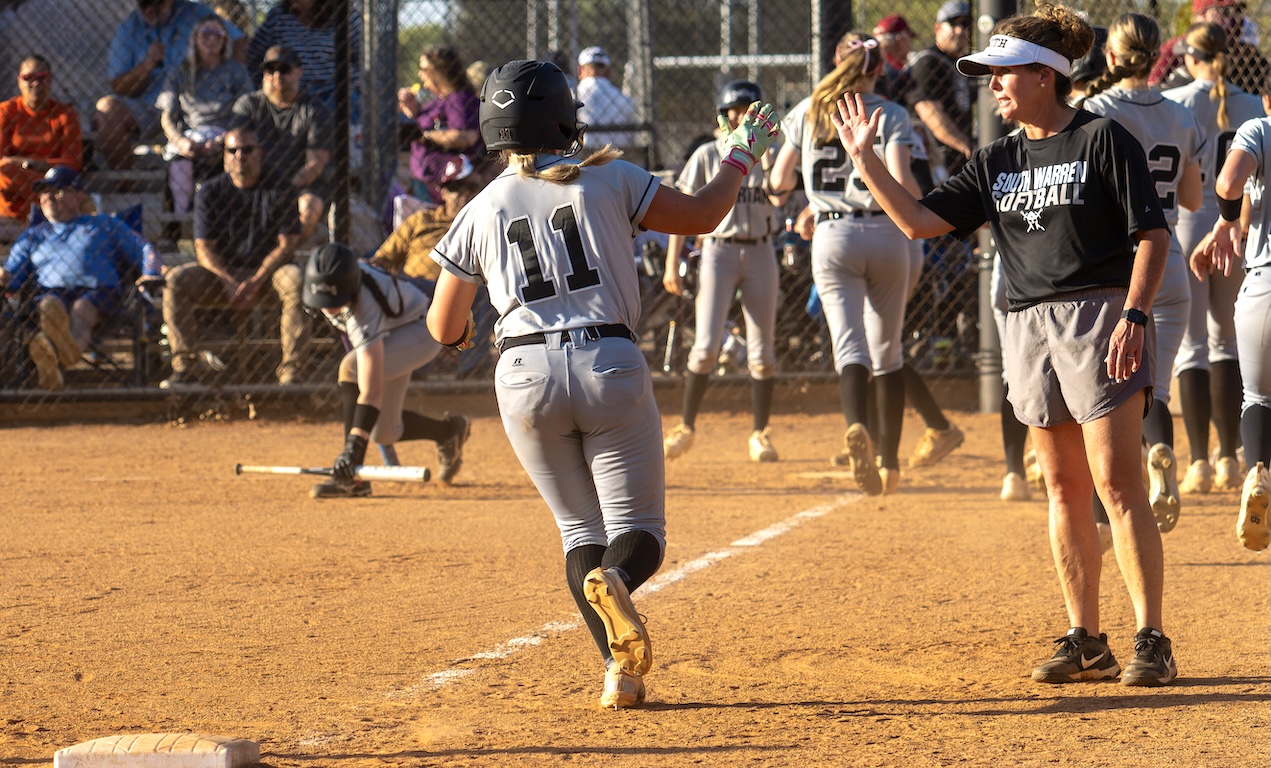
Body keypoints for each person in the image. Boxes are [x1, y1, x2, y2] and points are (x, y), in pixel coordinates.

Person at [837, 3, 1176, 685]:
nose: (990, 85)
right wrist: (866, 160)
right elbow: (917, 223)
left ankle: (1151, 640)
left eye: (1000, 73)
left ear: (1043, 77)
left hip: (1097, 317)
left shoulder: (1103, 140)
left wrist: (1134, 317)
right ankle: (1085, 638)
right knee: (1059, 484)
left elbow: (1152, 235)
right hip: (1026, 325)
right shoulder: (996, 159)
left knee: (1116, 482)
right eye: (987, 75)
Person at [426, 59, 780, 709]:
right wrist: (739, 156)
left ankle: (620, 674)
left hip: (522, 374)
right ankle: (617, 583)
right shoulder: (611, 177)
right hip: (606, 361)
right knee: (638, 530)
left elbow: (442, 323)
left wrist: (457, 339)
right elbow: (702, 215)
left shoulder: (480, 208)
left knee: (576, 533)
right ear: (565, 116)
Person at [769, 32, 921, 496]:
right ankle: (890, 463)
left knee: (849, 346)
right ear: (878, 69)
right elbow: (904, 186)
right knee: (888, 349)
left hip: (832, 233)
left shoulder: (810, 109)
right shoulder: (891, 113)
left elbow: (779, 181)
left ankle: (857, 424)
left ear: (837, 62)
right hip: (886, 232)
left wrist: (813, 200)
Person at [1081, 12, 1205, 535]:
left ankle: (1108, 520)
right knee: (1155, 387)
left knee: (1109, 393)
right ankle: (1162, 451)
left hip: (1121, 265)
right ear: (1159, 56)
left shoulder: (1094, 109)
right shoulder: (1181, 114)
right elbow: (1194, 198)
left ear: (1110, 55)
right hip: (1171, 260)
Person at [1165, 22, 1265, 495]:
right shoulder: (1251, 103)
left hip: (1188, 223)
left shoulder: (1178, 101)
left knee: (1192, 347)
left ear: (1190, 56)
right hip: (1236, 228)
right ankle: (1230, 457)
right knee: (1227, 341)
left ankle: (1200, 462)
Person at [661, 80, 783, 463]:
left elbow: (780, 195)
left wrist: (764, 157)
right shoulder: (706, 154)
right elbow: (681, 207)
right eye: (734, 109)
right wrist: (671, 263)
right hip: (718, 252)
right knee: (705, 348)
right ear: (722, 113)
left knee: (762, 354)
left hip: (761, 251)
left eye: (747, 108)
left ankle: (760, 433)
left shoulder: (769, 153)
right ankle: (686, 427)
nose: (740, 115)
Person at [302, 243, 470, 497]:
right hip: (392, 334)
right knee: (385, 431)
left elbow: (370, 391)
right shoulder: (338, 288)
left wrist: (353, 451)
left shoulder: (364, 298)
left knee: (351, 368)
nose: (328, 307)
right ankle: (449, 431)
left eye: (333, 300)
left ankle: (350, 479)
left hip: (420, 332)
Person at [160, 126, 307, 387]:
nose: (240, 155)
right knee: (176, 280)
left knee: (295, 279)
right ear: (225, 155)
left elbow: (288, 245)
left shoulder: (281, 188)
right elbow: (203, 247)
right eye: (233, 150)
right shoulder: (210, 191)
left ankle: (292, 371)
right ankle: (185, 369)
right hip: (221, 276)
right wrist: (227, 280)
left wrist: (257, 280)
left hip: (269, 275)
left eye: (247, 149)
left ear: (259, 153)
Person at [1193, 82, 1271, 551]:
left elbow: (1228, 184)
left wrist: (1224, 218)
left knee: (1258, 396)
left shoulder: (1260, 127)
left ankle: (1258, 471)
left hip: (1265, 285)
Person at [0, 166, 161, 390]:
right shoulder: (32, 236)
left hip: (99, 293)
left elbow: (144, 248)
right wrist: (3, 277)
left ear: (78, 195)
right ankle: (61, 358)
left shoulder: (103, 224)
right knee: (49, 304)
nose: (48, 197)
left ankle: (54, 357)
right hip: (50, 291)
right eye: (44, 192)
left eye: (58, 191)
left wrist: (151, 273)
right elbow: (11, 276)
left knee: (82, 309)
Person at [96, 0, 246, 170]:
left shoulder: (196, 13)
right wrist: (147, 65)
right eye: (144, 4)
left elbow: (238, 39)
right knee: (106, 109)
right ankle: (126, 186)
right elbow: (119, 86)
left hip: (196, 106)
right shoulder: (129, 29)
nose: (151, 9)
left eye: (157, 3)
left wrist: (230, 78)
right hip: (150, 107)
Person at [231, 45, 332, 244]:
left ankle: (285, 254)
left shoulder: (314, 110)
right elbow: (236, 151)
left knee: (310, 206)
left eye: (284, 69)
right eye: (271, 70)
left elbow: (315, 165)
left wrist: (283, 190)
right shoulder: (248, 105)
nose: (277, 75)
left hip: (299, 185)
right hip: (256, 182)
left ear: (298, 72)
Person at [157, 15, 253, 213]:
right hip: (191, 134)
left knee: (229, 159)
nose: (212, 40)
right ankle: (176, 225)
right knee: (179, 165)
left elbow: (247, 111)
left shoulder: (236, 71)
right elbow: (167, 117)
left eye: (218, 35)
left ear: (225, 40)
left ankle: (218, 223)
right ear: (194, 39)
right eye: (206, 34)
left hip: (226, 134)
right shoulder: (180, 72)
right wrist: (180, 141)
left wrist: (224, 139)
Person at [0, 55, 82, 224]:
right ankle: (42, 202)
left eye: (41, 77)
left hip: (52, 178)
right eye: (28, 78)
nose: (35, 83)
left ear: (50, 80)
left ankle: (40, 206)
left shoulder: (65, 114)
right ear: (19, 81)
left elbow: (72, 162)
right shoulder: (5, 111)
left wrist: (31, 163)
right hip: (17, 186)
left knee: (61, 180)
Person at [247, 0, 363, 119]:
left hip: (334, 92)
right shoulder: (278, 16)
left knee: (349, 102)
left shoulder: (343, 14)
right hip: (293, 94)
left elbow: (362, 58)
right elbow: (253, 57)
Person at [397, 46, 483, 205]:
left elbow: (466, 136)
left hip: (448, 188)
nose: (420, 74)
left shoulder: (458, 100)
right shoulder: (438, 100)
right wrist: (413, 113)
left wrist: (425, 136)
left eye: (424, 69)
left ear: (439, 71)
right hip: (426, 183)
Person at [1150, 0, 1269, 97]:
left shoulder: (1242, 50)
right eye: (1226, 12)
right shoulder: (1175, 48)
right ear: (1202, 16)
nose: (1236, 18)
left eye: (1237, 11)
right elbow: (1150, 90)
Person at [576, 47, 638, 152]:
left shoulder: (573, 95)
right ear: (608, 71)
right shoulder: (624, 99)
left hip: (582, 159)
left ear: (580, 70)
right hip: (620, 158)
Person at [873, 14, 915, 102]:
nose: (910, 44)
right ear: (900, 40)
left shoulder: (874, 67)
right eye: (910, 37)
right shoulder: (893, 73)